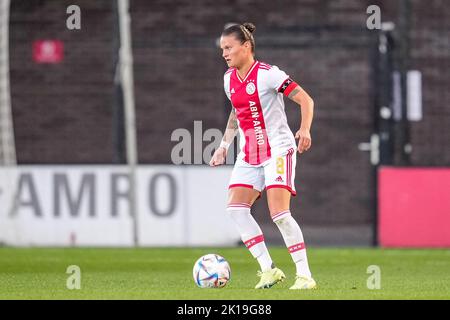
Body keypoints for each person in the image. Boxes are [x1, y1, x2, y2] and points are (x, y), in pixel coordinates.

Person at [210, 22, 316, 290]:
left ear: (246, 47)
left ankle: (304, 276)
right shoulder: (228, 79)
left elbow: (305, 99)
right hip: (249, 154)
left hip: (278, 148)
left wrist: (304, 128)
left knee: (279, 213)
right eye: (222, 48)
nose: (224, 53)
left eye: (229, 47)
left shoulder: (269, 74)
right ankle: (268, 270)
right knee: (235, 209)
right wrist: (224, 145)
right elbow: (236, 113)